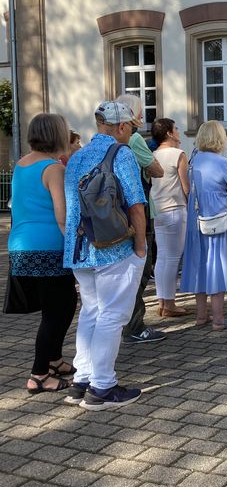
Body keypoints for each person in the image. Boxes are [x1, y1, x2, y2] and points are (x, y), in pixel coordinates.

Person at [63, 101, 148, 410]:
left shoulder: (77, 156)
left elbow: (70, 206)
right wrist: (140, 246)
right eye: (130, 128)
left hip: (79, 249)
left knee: (91, 312)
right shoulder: (121, 154)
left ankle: (81, 381)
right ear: (122, 127)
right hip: (113, 247)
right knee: (112, 315)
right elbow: (137, 205)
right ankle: (102, 388)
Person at [8, 113, 77, 394]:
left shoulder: (20, 165)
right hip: (49, 245)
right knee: (58, 310)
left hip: (21, 245)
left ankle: (55, 360)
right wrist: (75, 250)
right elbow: (63, 215)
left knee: (56, 306)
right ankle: (39, 374)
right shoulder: (53, 169)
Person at [181, 120, 227, 330]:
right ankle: (218, 319)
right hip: (219, 220)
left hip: (196, 221)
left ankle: (201, 316)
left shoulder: (194, 160)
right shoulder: (224, 163)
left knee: (200, 265)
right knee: (218, 267)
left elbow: (189, 190)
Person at [115, 93, 166, 345]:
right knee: (141, 269)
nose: (143, 116)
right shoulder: (135, 139)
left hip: (118, 214)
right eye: (140, 111)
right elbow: (157, 169)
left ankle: (124, 323)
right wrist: (149, 163)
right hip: (139, 210)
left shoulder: (109, 140)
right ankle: (134, 326)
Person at [150, 118, 190, 318]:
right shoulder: (178, 154)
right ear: (168, 133)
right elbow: (186, 187)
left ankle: (161, 301)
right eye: (176, 129)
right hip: (175, 208)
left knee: (162, 257)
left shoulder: (153, 154)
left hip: (158, 209)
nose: (178, 131)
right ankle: (170, 304)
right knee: (172, 258)